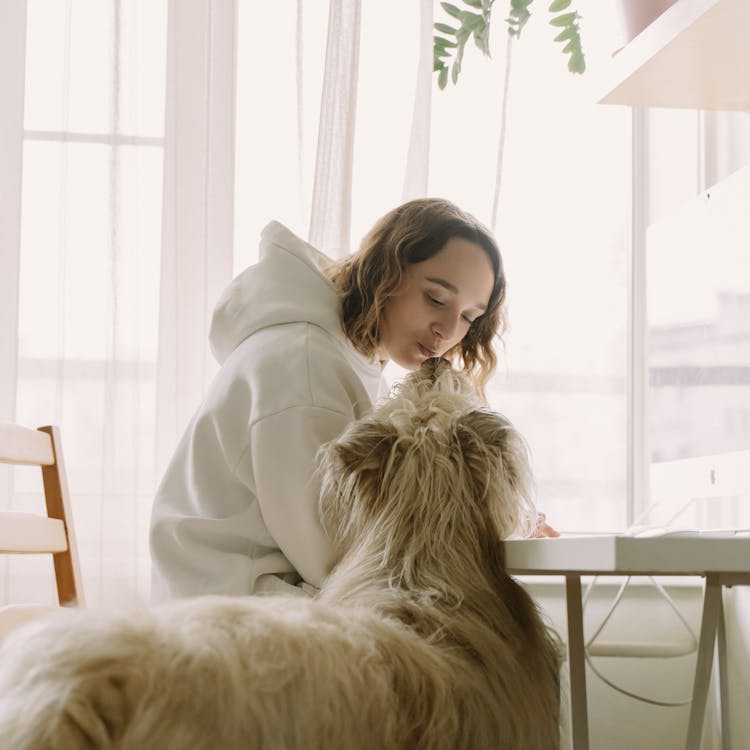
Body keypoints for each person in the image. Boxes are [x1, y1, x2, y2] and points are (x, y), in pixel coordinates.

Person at [149, 197, 555, 603]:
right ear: (387, 273)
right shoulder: (305, 367)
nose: (448, 330)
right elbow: (343, 557)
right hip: (234, 610)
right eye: (435, 298)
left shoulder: (348, 358)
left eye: (469, 316)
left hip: (273, 596)